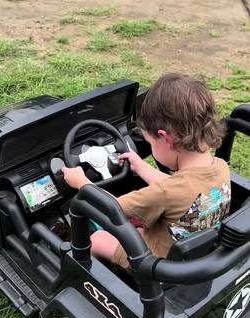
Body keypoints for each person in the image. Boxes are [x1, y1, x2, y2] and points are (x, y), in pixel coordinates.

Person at [62, 73, 231, 269]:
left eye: (150, 142)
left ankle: (90, 277)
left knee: (99, 238)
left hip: (156, 268)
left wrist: (82, 183)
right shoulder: (220, 166)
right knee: (140, 230)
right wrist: (142, 167)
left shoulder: (164, 194)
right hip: (190, 256)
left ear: (166, 139)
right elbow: (177, 185)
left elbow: (112, 208)